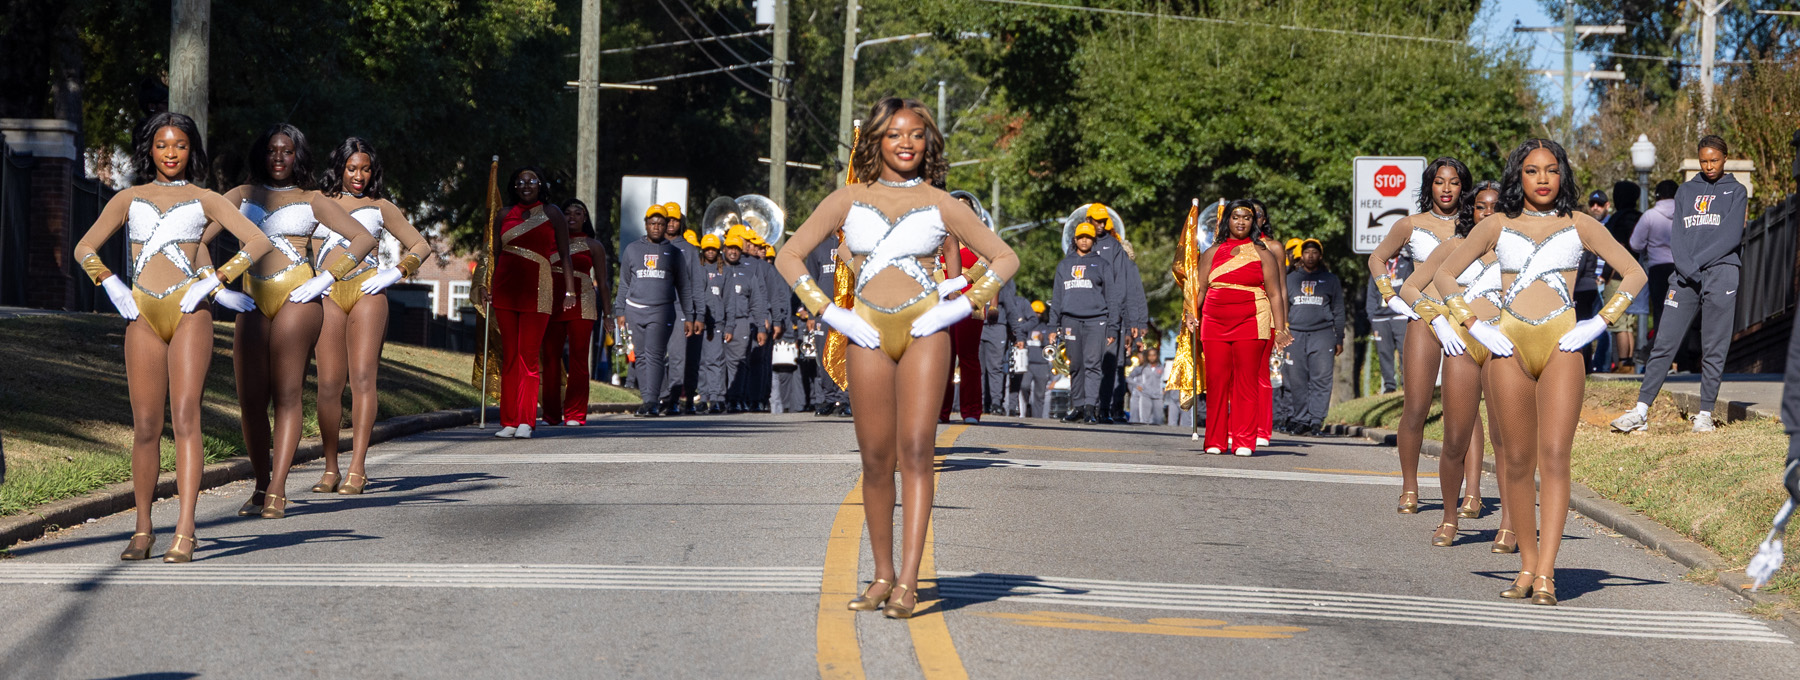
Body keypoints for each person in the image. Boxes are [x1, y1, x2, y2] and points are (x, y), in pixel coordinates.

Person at [775, 96, 1018, 619]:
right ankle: (881, 574)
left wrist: (955, 309)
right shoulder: (846, 198)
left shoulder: (942, 202)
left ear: (928, 142)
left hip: (925, 331)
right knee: (875, 458)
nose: (906, 142)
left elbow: (1005, 257)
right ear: (877, 142)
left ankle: (908, 580)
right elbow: (788, 254)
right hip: (865, 332)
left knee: (916, 449)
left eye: (915, 134)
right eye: (894, 134)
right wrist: (829, 313)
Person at [1435, 138, 1646, 605]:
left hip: (1562, 347)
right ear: (1518, 177)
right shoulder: (1494, 225)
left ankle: (1547, 571)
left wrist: (1599, 322)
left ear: (1562, 174)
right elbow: (1446, 276)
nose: (1544, 179)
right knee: (1514, 460)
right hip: (1507, 346)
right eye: (1533, 171)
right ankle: (1527, 564)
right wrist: (1472, 324)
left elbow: (1634, 273)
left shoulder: (1581, 223)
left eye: (1551, 170)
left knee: (1554, 457)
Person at [74, 112, 273, 562]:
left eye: (180, 145)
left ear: (191, 151)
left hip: (190, 313)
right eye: (162, 145)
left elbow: (258, 241)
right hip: (141, 313)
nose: (170, 153)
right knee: (146, 426)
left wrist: (215, 281)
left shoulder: (206, 199)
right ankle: (142, 528)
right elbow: (84, 246)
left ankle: (186, 528)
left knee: (186, 417)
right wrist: (108, 280)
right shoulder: (128, 198)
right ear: (149, 149)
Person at [221, 124, 379, 518]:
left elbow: (363, 240)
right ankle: (260, 484)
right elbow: (194, 236)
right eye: (272, 150)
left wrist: (327, 277)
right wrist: (216, 286)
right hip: (251, 299)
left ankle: (277, 488)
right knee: (251, 401)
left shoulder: (312, 199)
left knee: (287, 394)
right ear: (261, 154)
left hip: (298, 296)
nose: (279, 157)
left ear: (297, 156)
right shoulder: (240, 196)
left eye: (287, 151)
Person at [311, 137, 433, 496]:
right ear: (340, 168)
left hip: (368, 293)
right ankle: (331, 466)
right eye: (352, 168)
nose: (359, 176)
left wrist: (395, 273)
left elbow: (421, 245)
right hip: (327, 296)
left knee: (363, 379)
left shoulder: (381, 207)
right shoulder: (317, 202)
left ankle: (358, 467)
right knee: (329, 385)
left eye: (365, 169)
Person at [1611, 136, 1748, 434]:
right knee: (1664, 343)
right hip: (1685, 276)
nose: (1709, 166)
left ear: (1725, 158)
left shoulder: (1736, 191)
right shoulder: (1686, 191)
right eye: (1704, 161)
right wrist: (1687, 268)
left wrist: (1697, 264)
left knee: (1714, 345)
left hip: (1722, 273)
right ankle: (1640, 411)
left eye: (1714, 160)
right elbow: (1678, 236)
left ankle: (1704, 414)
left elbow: (1730, 238)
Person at [1364, 156, 1469, 512]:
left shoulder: (1477, 225)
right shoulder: (1410, 224)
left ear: (1462, 187)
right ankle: (1410, 487)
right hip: (1424, 318)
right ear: (1430, 186)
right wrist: (1391, 298)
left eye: (1454, 182)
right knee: (1417, 406)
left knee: (1467, 411)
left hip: (1466, 320)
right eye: (1439, 181)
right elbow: (1377, 258)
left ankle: (1470, 493)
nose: (1446, 189)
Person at [478, 166, 576, 438]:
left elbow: (565, 255)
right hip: (506, 289)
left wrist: (570, 291)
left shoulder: (552, 213)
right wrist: (486, 286)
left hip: (538, 288)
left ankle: (526, 420)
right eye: (520, 181)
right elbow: (493, 254)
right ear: (514, 186)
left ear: (540, 185)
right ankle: (508, 420)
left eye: (532, 180)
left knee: (529, 357)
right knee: (509, 355)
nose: (526, 185)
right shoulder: (502, 215)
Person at [1190, 200, 1291, 455]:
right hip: (1214, 321)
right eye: (1236, 217)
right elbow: (1199, 289)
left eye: (1247, 217)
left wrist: (1280, 329)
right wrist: (1190, 315)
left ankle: (1245, 441)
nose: (1241, 222)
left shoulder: (1264, 253)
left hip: (1251, 319)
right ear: (1227, 220)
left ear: (1253, 222)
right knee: (1216, 382)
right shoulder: (1212, 252)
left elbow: (1276, 294)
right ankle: (1215, 441)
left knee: (1246, 383)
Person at [541, 198, 610, 426]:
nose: (572, 217)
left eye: (577, 213)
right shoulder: (548, 241)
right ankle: (551, 414)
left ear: (585, 218)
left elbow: (603, 281)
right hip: (552, 302)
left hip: (584, 303)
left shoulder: (593, 245)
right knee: (550, 358)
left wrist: (608, 314)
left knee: (579, 360)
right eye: (567, 213)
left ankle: (575, 413)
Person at [615, 205, 689, 417]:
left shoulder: (674, 253)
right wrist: (620, 310)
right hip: (635, 309)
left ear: (666, 226)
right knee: (640, 356)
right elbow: (624, 284)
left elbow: (684, 287)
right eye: (652, 223)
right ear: (646, 224)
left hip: (662, 310)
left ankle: (651, 401)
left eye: (660, 223)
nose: (656, 227)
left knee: (654, 354)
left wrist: (691, 316)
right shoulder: (631, 249)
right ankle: (648, 399)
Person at [1053, 222, 1123, 424]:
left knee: (1092, 365)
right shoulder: (1064, 265)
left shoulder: (1102, 264)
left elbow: (1112, 298)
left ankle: (1091, 408)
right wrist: (1052, 325)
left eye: (1088, 237)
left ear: (1093, 241)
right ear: (1074, 240)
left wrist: (1112, 326)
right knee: (1075, 365)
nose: (1084, 240)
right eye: (1081, 237)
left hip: (1096, 321)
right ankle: (1078, 406)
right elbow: (1057, 297)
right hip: (1070, 320)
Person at [1087, 204, 1150, 425]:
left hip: (1115, 318)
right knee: (1093, 364)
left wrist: (1136, 324)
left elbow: (1132, 294)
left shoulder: (1124, 262)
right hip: (1092, 315)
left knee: (1115, 366)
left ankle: (1111, 407)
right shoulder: (1085, 247)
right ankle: (1089, 406)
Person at [1279, 239, 1344, 436]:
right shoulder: (1290, 279)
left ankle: (1316, 420)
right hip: (1295, 334)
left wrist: (1339, 337)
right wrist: (1281, 333)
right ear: (1301, 255)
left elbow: (1339, 310)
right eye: (1306, 252)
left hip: (1323, 334)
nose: (1310, 255)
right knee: (1297, 380)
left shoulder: (1330, 280)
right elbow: (1282, 307)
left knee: (1321, 379)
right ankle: (1300, 419)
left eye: (1314, 252)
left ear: (1320, 255)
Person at [660, 202, 703, 415]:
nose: (670, 224)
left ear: (681, 222)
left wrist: (696, 315)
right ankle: (659, 396)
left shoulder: (689, 249)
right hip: (655, 307)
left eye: (675, 220)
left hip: (679, 309)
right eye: (667, 220)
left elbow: (697, 284)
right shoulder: (652, 245)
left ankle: (675, 399)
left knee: (678, 356)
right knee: (655, 355)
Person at [721, 229, 768, 412]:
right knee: (715, 362)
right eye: (729, 247)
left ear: (740, 251)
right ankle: (714, 398)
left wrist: (761, 326)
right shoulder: (715, 269)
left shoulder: (749, 273)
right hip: (718, 322)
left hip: (741, 322)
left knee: (739, 362)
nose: (732, 251)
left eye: (736, 248)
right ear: (724, 249)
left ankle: (735, 398)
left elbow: (757, 301)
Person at [804, 229, 851, 416]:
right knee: (824, 355)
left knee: (846, 355)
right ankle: (828, 399)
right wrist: (810, 314)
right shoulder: (818, 245)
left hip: (848, 309)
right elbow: (810, 282)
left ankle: (846, 398)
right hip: (824, 312)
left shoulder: (854, 242)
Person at [939, 245, 986, 424]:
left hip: (969, 306)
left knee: (968, 358)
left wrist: (993, 305)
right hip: (939, 306)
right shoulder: (937, 238)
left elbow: (993, 267)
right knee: (943, 359)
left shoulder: (973, 240)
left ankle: (971, 411)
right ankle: (941, 411)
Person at [1630, 180, 1678, 346]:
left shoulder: (1650, 216)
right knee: (1680, 311)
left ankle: (1661, 354)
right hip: (1680, 268)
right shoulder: (1684, 215)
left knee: (1660, 311)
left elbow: (1635, 244)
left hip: (1657, 268)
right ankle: (1682, 358)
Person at [1365, 256, 1412, 393]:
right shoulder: (1378, 265)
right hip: (1380, 318)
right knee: (1384, 353)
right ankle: (1389, 386)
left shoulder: (1406, 263)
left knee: (1405, 351)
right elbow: (1371, 292)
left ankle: (1407, 385)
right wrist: (1372, 316)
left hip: (1400, 316)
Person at [695, 233, 730, 413]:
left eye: (713, 249)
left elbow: (729, 300)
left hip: (717, 323)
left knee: (714, 361)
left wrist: (728, 325)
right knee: (701, 362)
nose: (710, 252)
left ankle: (716, 397)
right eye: (707, 249)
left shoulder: (724, 271)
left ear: (718, 251)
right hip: (699, 322)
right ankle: (703, 395)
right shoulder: (698, 269)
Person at [1014, 300, 1054, 418]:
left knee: (1039, 394)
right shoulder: (1026, 327)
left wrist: (1044, 340)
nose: (1037, 315)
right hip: (1027, 364)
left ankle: (1037, 418)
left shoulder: (1046, 329)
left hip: (1042, 365)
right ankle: (1028, 407)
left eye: (1039, 313)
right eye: (1034, 312)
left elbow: (1050, 348)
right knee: (1024, 386)